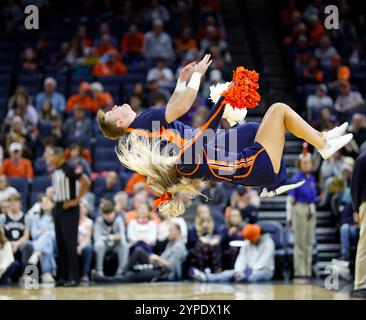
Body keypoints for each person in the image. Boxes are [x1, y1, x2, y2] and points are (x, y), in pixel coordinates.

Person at [99, 56, 353, 217]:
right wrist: (206, 83)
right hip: (227, 154)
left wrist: (181, 82)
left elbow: (172, 112)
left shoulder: (148, 133)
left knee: (250, 130)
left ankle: (275, 183)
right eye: (112, 113)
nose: (114, 107)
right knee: (277, 110)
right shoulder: (144, 125)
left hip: (216, 152)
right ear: (120, 122)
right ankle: (323, 144)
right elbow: (181, 109)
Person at [47, 146, 91, 287]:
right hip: (58, 207)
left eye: (51, 156)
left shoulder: (70, 167)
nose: (49, 159)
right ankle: (63, 276)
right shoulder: (56, 170)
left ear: (59, 156)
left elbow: (86, 182)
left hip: (70, 208)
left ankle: (74, 277)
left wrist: (76, 201)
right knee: (60, 244)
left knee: (70, 244)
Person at [95, 222, 187, 283]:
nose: (168, 233)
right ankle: (124, 272)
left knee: (134, 275)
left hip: (164, 274)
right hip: (158, 266)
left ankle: (107, 279)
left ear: (178, 231)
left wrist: (158, 259)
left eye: (171, 230)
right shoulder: (171, 243)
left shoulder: (178, 247)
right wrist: (155, 260)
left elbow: (171, 267)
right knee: (139, 250)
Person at [190, 224, 275, 283]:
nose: (250, 241)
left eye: (251, 239)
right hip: (246, 270)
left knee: (252, 277)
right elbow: (241, 258)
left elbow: (263, 262)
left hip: (263, 270)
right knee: (228, 273)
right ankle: (206, 277)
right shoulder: (248, 242)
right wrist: (238, 270)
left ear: (258, 236)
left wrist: (246, 272)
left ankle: (241, 278)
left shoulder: (269, 243)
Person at [286, 149, 317, 282]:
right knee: (300, 242)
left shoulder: (311, 178)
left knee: (309, 241)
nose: (307, 165)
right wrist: (289, 216)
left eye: (309, 163)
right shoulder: (296, 178)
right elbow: (290, 199)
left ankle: (308, 270)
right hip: (299, 207)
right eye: (304, 163)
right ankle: (300, 272)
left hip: (311, 208)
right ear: (300, 163)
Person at [93, 200, 129, 277]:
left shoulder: (119, 220)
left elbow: (122, 238)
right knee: (99, 245)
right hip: (104, 245)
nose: (107, 216)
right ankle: (99, 271)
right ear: (102, 214)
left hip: (115, 245)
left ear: (114, 212)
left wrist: (114, 238)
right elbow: (97, 238)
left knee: (124, 245)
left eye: (109, 213)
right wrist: (112, 237)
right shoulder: (99, 220)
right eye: (105, 214)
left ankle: (121, 271)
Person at [0, 193, 33, 274]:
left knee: (28, 244)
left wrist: (16, 244)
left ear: (20, 203)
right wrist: (9, 244)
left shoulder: (26, 217)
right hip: (7, 243)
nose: (13, 203)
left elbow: (26, 236)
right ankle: (5, 273)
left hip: (20, 243)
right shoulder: (3, 217)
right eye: (11, 201)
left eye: (16, 201)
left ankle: (25, 273)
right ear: (8, 203)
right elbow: (2, 236)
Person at [28, 195, 56, 284]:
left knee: (47, 236)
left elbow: (56, 235)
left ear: (53, 203)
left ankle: (36, 254)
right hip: (39, 243)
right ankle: (46, 273)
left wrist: (45, 233)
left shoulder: (56, 218)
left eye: (47, 201)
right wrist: (42, 232)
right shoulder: (36, 217)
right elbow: (33, 234)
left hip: (54, 243)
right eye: (42, 202)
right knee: (46, 243)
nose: (44, 204)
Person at [188, 205, 222, 272]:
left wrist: (216, 239)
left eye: (206, 212)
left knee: (215, 246)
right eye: (202, 212)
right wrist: (200, 238)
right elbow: (191, 239)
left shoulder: (213, 224)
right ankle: (201, 269)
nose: (204, 214)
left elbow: (219, 234)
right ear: (198, 214)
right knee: (201, 245)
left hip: (211, 244)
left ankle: (217, 269)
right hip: (199, 246)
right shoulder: (194, 226)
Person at [350, 152, 366, 298]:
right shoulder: (362, 159)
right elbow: (354, 186)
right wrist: (355, 209)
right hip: (365, 205)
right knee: (364, 245)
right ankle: (360, 284)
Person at [78, 199, 93, 282]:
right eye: (79, 208)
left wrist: (80, 247)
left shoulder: (89, 222)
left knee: (88, 248)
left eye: (82, 208)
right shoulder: (73, 221)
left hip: (84, 243)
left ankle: (85, 273)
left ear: (86, 210)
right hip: (75, 243)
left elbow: (88, 238)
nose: (80, 209)